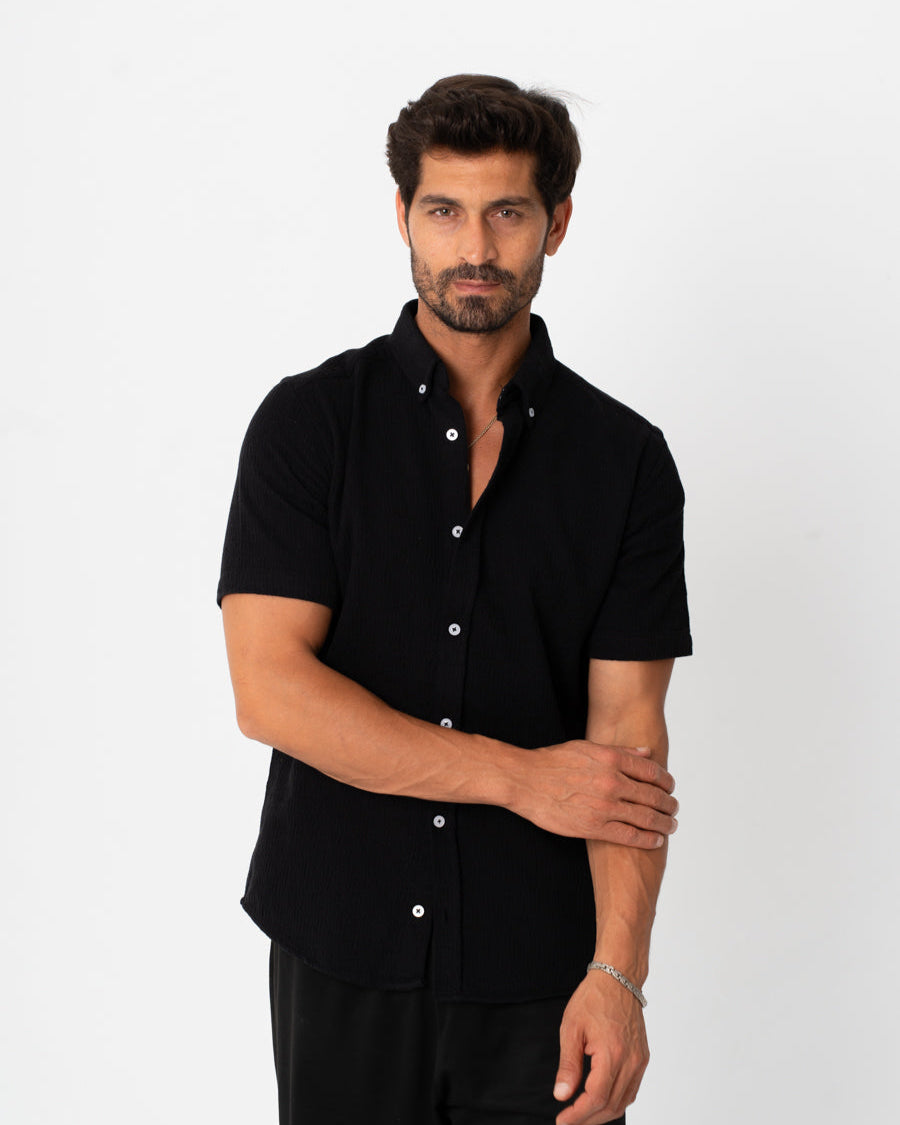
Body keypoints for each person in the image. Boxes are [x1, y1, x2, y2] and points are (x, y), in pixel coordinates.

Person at [217, 74, 692, 1125]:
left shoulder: (624, 463)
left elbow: (628, 742)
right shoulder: (309, 427)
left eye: (507, 212)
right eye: (445, 210)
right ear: (403, 217)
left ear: (556, 224)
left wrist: (618, 976)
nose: (474, 247)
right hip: (340, 946)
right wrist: (522, 779)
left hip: (543, 971)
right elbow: (270, 692)